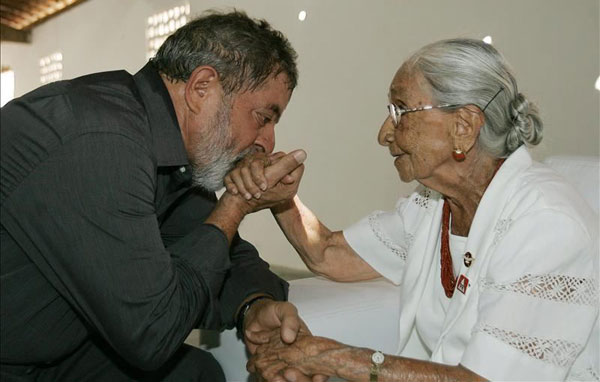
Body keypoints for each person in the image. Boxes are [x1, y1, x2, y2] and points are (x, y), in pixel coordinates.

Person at [225, 38, 599, 381]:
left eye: (401, 110)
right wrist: (284, 200)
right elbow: (329, 254)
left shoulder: (545, 224)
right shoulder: (433, 204)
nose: (384, 132)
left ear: (464, 126)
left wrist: (332, 357)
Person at [0, 10, 314, 382]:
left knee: (195, 375)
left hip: (50, 353)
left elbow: (216, 250)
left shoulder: (166, 149)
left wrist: (254, 307)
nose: (267, 142)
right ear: (202, 87)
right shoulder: (102, 140)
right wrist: (235, 203)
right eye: (263, 117)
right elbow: (152, 332)